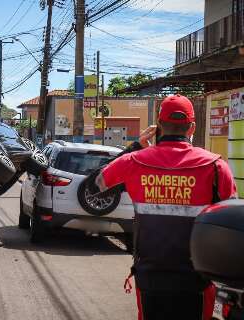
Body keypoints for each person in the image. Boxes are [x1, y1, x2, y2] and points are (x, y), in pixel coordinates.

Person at [92, 95, 237, 320]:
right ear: (192, 127)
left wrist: (134, 147)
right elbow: (230, 225)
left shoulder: (134, 161)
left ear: (159, 125)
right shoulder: (217, 167)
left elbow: (93, 186)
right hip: (197, 281)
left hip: (150, 278)